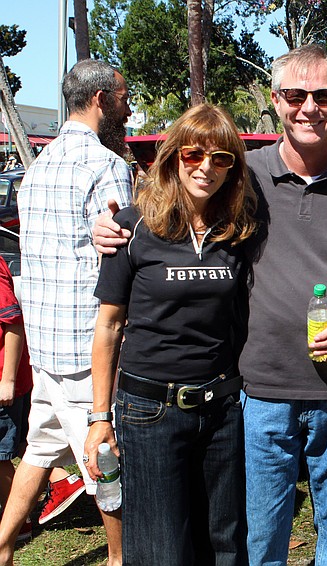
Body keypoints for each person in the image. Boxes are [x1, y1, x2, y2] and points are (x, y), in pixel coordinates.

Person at [94, 44, 327, 565]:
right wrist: (117, 224)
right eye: (296, 95)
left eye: (323, 95)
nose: (309, 107)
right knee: (259, 538)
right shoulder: (244, 175)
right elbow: (180, 204)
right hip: (260, 389)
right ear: (276, 100)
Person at [84, 104, 255, 565]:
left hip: (221, 408)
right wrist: (99, 417)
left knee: (224, 545)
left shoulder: (238, 231)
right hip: (150, 411)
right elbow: (109, 325)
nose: (206, 167)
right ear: (174, 157)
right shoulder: (131, 226)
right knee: (160, 549)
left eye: (221, 158)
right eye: (193, 154)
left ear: (232, 168)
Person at [0, 58, 131, 565]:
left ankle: (3, 547)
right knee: (106, 462)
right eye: (123, 99)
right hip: (87, 347)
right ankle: (120, 558)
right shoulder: (106, 165)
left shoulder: (38, 168)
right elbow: (123, 257)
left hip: (47, 345)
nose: (126, 109)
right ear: (101, 100)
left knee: (39, 450)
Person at [0, 256, 33, 541]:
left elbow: (13, 323)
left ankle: (18, 523)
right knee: (23, 446)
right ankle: (64, 482)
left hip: (4, 384)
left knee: (1, 458)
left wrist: (7, 381)